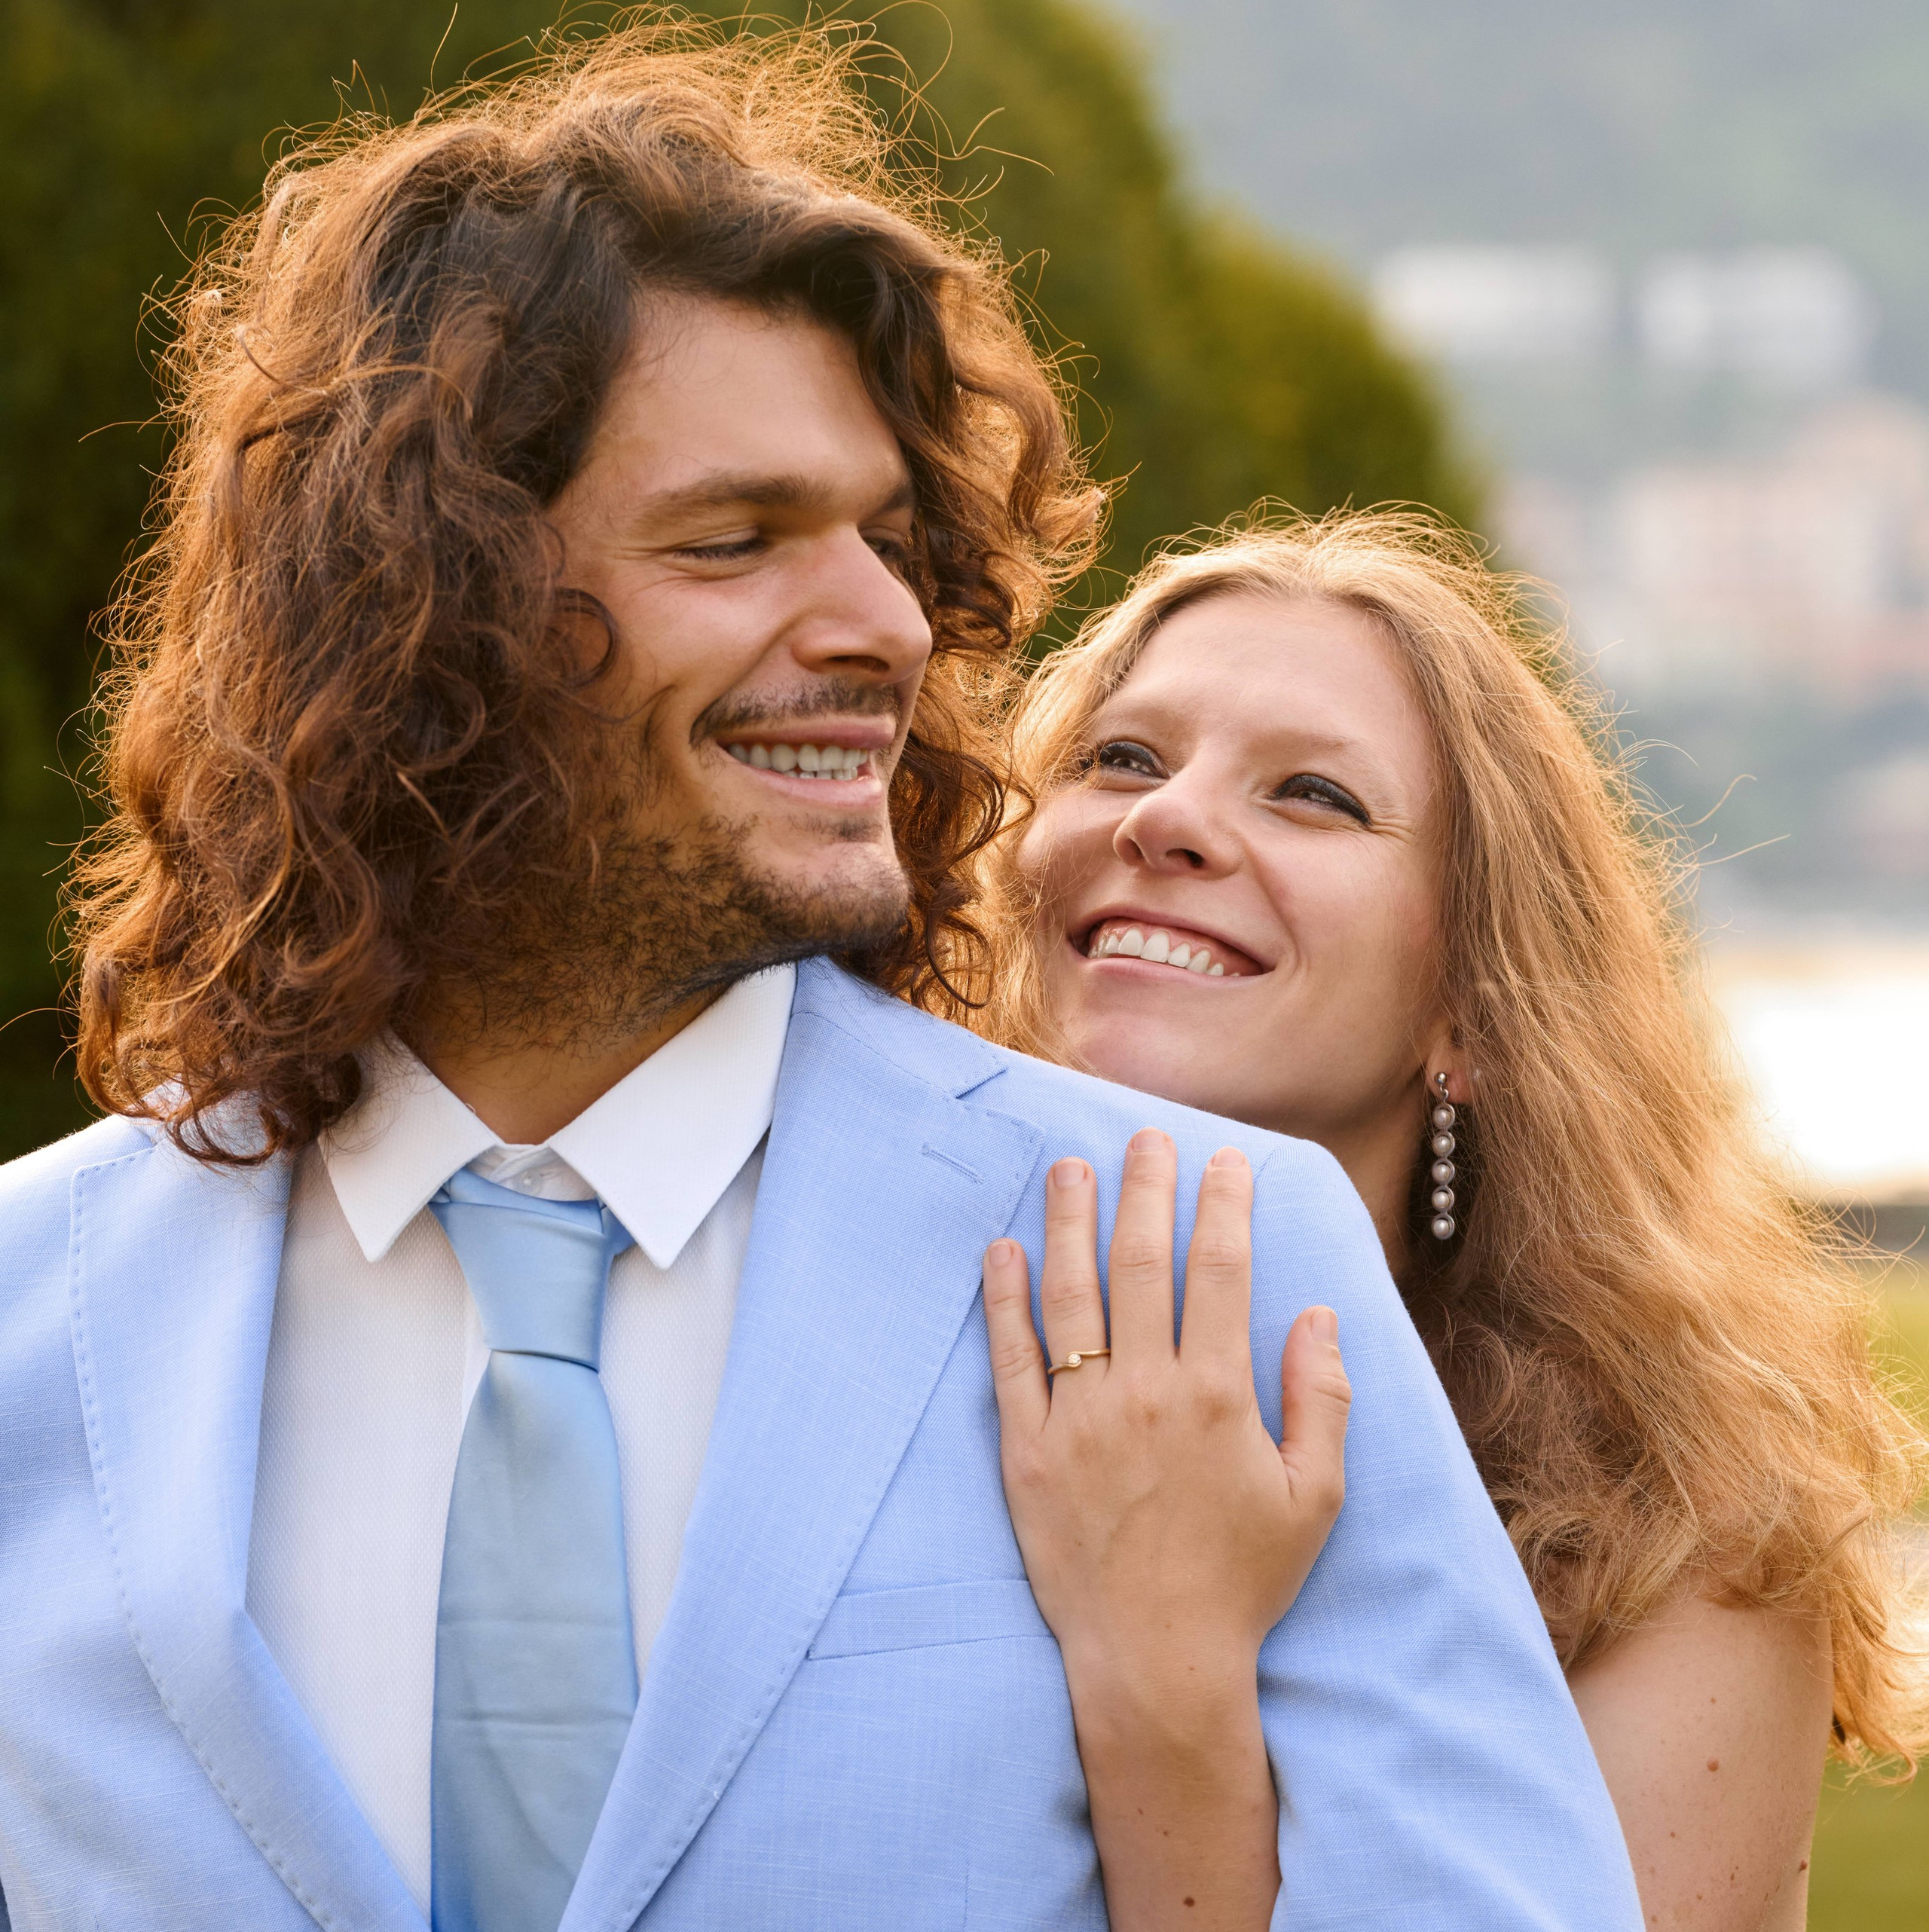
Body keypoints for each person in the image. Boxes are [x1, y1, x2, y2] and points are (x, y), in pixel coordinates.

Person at [0, 23, 1647, 1932]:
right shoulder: (33, 1318)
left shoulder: (1220, 1256)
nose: (883, 623)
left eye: (883, 536)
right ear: (421, 612)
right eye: (734, 539)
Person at [974, 510, 1929, 1932]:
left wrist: (1167, 1677)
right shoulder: (839, 1330)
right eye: (1122, 757)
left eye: (1312, 794)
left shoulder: (1666, 1539)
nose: (1162, 818)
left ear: (1468, 1013)